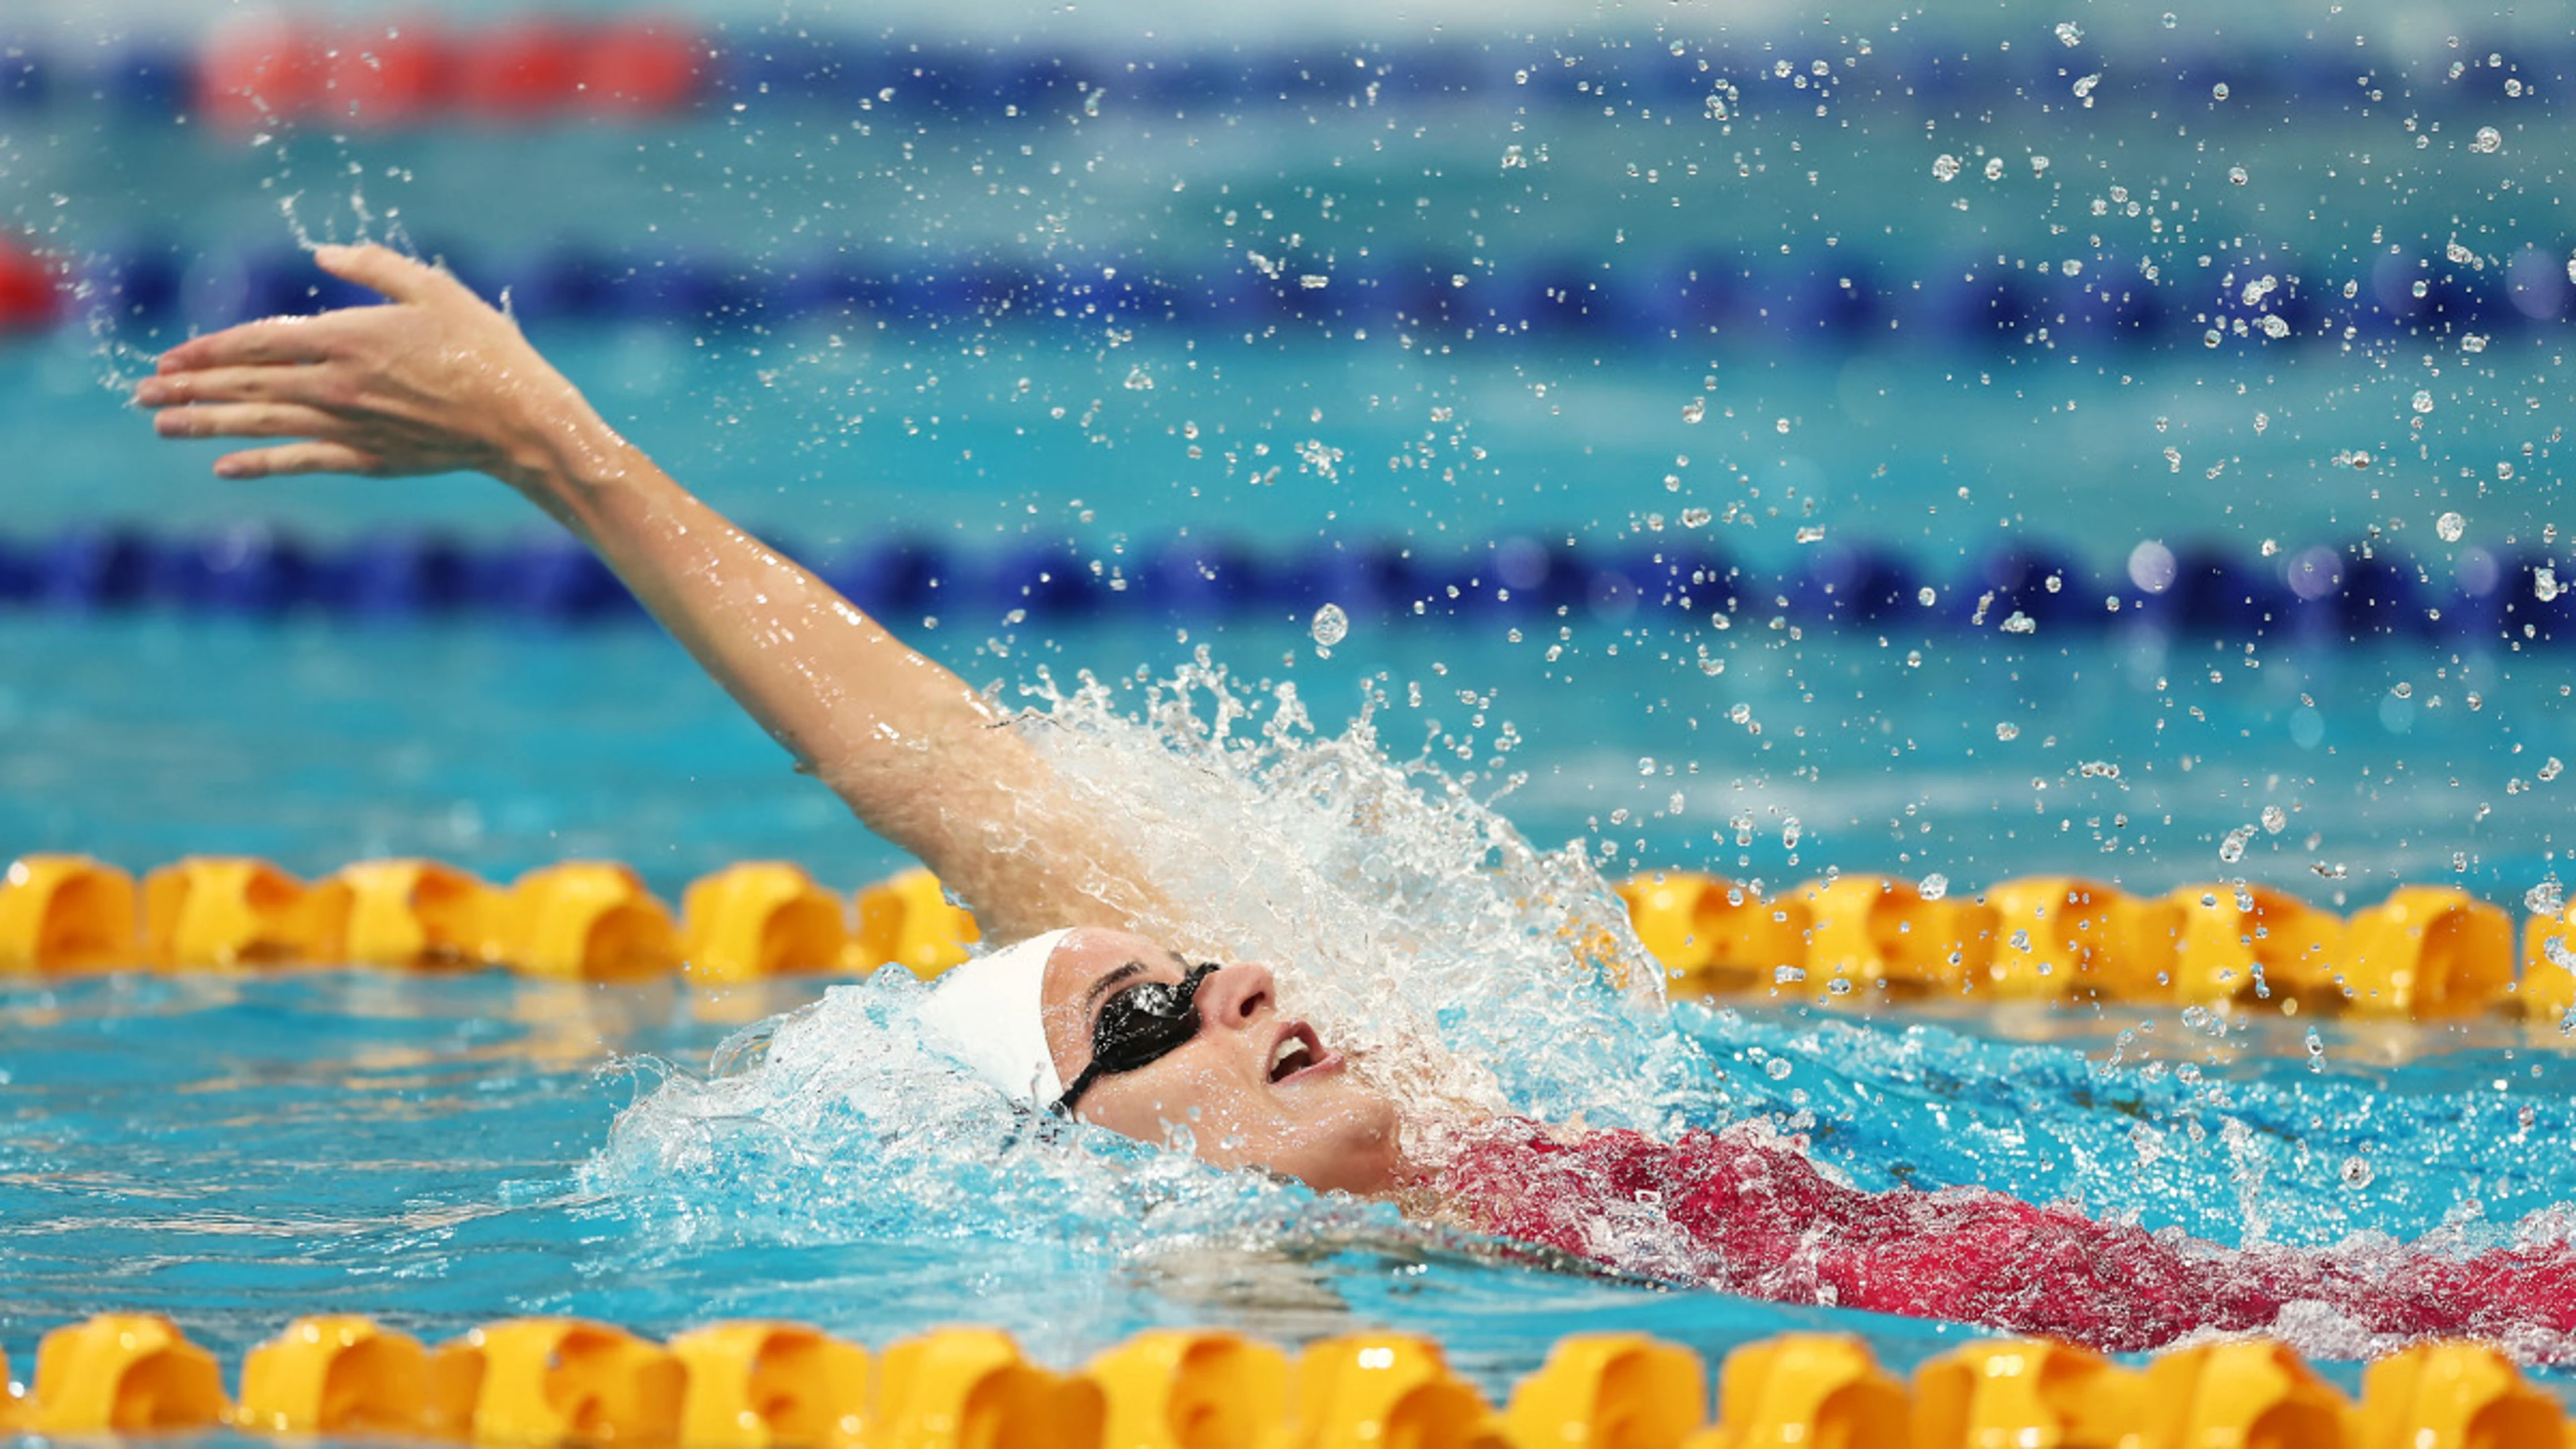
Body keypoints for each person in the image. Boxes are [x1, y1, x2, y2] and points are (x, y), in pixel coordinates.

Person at [140, 245, 2576, 1353]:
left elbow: (918, 771)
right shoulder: (1317, 1293)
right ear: (1112, 1153)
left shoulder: (1495, 1103)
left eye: (1186, 959)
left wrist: (562, 446)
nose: (1233, 975)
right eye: (1158, 1010)